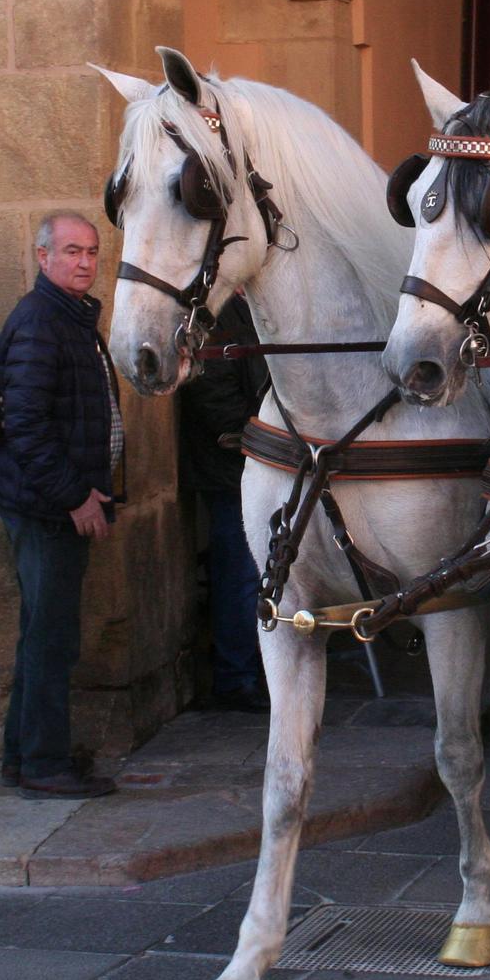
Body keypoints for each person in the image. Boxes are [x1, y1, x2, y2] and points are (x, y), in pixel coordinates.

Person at [0, 211, 125, 799]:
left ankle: (26, 753)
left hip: (56, 502)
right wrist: (74, 496)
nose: (84, 262)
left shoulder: (71, 318)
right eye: (71, 252)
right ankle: (43, 762)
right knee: (52, 637)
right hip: (46, 507)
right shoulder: (42, 321)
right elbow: (26, 426)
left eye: (91, 252)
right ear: (43, 258)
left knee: (44, 632)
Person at [178, 297, 269, 712]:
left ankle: (257, 667)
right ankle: (236, 676)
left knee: (258, 572)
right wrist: (268, 439)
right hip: (231, 468)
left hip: (261, 464)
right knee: (241, 574)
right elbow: (216, 398)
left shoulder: (254, 308)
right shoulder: (217, 316)